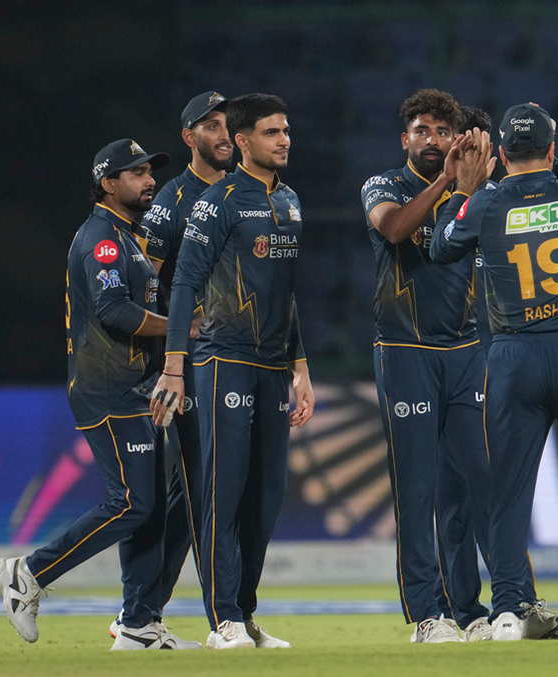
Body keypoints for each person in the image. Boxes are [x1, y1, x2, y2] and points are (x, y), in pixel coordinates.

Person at [361, 91, 558, 643]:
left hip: (469, 352)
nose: (432, 140)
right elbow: (394, 230)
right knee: (418, 488)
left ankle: (510, 605)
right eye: (421, 130)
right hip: (406, 352)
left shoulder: (487, 198)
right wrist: (448, 185)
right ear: (404, 138)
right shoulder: (384, 186)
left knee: (486, 484)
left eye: (442, 132)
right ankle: (428, 616)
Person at [430, 103, 558, 641]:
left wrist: (467, 190)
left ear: (499, 154)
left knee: (509, 491)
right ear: (552, 150)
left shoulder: (487, 203)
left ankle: (508, 612)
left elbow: (440, 246)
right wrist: (556, 168)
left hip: (512, 358)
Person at [0, 139, 202, 650]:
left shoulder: (126, 237)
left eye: (150, 171)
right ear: (108, 184)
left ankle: (137, 626)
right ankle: (29, 572)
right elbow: (116, 313)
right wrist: (184, 330)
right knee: (131, 502)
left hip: (135, 388)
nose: (149, 180)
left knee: (149, 508)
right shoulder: (102, 240)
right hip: (107, 389)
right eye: (136, 173)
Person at [150, 93, 315, 650]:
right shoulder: (215, 202)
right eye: (272, 132)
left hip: (273, 365)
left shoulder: (290, 201)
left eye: (286, 130)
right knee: (222, 490)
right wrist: (174, 367)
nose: (284, 140)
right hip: (222, 360)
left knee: (266, 498)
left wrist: (301, 367)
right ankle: (222, 620)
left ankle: (243, 615)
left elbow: (287, 294)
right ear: (244, 142)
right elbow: (184, 284)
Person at [107, 91, 233, 637]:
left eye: (228, 123)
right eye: (210, 124)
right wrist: (169, 357)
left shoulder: (245, 193)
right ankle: (221, 618)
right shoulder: (172, 201)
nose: (224, 132)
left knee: (190, 496)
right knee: (195, 490)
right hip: (188, 365)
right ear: (190, 137)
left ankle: (142, 612)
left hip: (239, 359)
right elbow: (146, 283)